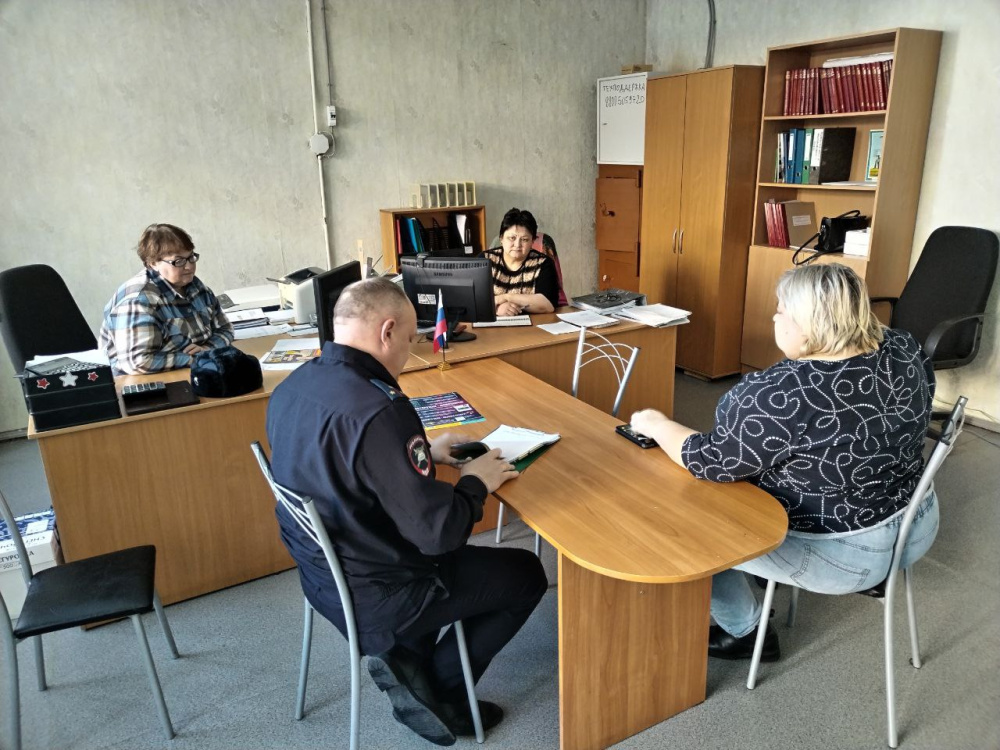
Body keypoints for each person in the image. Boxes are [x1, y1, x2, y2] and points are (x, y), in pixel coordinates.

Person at [266, 277, 547, 745]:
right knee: (526, 573)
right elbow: (439, 535)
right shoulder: (380, 408)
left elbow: (337, 466)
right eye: (413, 338)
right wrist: (477, 481)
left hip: (324, 576)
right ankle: (439, 690)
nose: (411, 352)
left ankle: (408, 658)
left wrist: (423, 454)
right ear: (388, 331)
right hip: (380, 591)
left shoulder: (296, 383)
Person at [631, 263, 938, 661]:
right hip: (917, 525)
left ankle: (745, 631)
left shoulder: (782, 394)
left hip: (848, 556)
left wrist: (656, 424)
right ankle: (764, 579)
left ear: (809, 326)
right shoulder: (904, 347)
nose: (774, 318)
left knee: (689, 519)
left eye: (780, 311)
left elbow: (709, 461)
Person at [99, 223, 233, 375]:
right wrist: (193, 359)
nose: (189, 266)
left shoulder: (196, 287)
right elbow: (137, 362)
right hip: (140, 379)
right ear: (153, 263)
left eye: (191, 257)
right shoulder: (138, 300)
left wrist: (207, 349)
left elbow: (225, 328)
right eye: (178, 261)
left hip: (193, 369)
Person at [484, 208, 560, 316]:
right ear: (501, 239)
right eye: (512, 238)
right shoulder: (485, 260)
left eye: (524, 239)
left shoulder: (543, 263)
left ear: (532, 241)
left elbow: (548, 305)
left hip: (534, 323)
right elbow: (472, 300)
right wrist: (495, 309)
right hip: (492, 324)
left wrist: (507, 297)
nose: (517, 245)